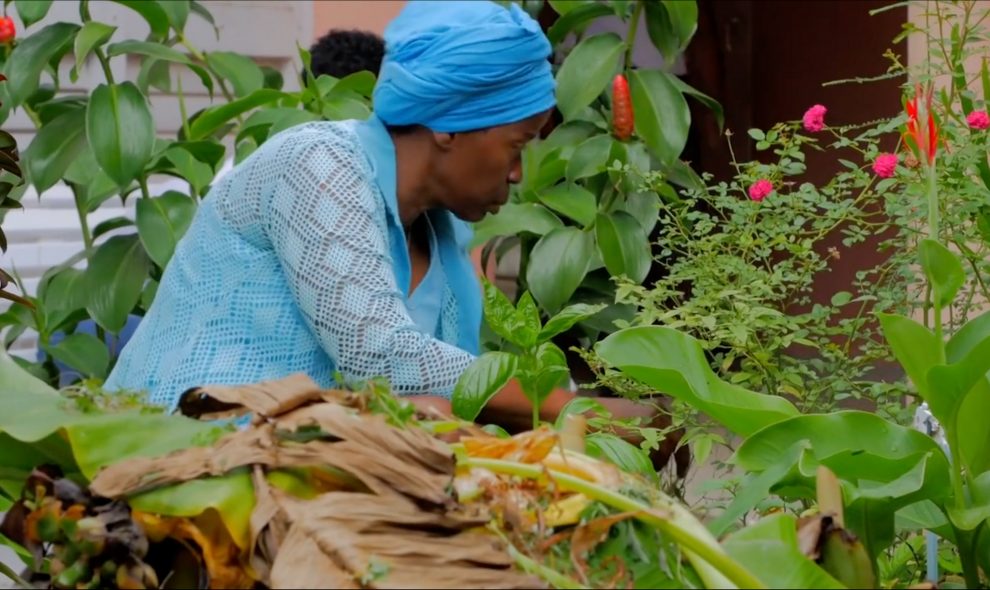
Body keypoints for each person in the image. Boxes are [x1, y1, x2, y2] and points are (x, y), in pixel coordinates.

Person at [105, 0, 664, 440]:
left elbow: (440, 397)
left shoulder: (438, 231)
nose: (518, 174)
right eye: (516, 146)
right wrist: (564, 406)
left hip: (304, 475)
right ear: (450, 127)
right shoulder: (317, 164)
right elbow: (380, 354)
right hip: (181, 461)